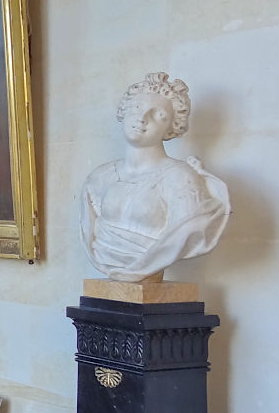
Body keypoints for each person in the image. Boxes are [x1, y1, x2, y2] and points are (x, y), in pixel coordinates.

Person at [80, 72, 230, 282]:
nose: (142, 118)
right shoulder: (98, 178)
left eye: (158, 114)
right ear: (124, 110)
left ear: (172, 126)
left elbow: (187, 230)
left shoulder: (180, 178)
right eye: (137, 107)